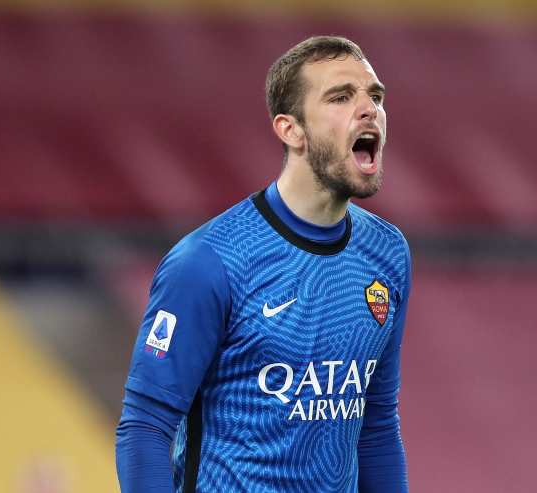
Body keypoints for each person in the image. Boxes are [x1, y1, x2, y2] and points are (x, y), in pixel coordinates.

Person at [115, 35, 411, 493]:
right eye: (340, 97)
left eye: (374, 96)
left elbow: (375, 425)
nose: (369, 109)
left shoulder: (387, 253)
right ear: (290, 129)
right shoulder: (208, 262)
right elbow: (145, 428)